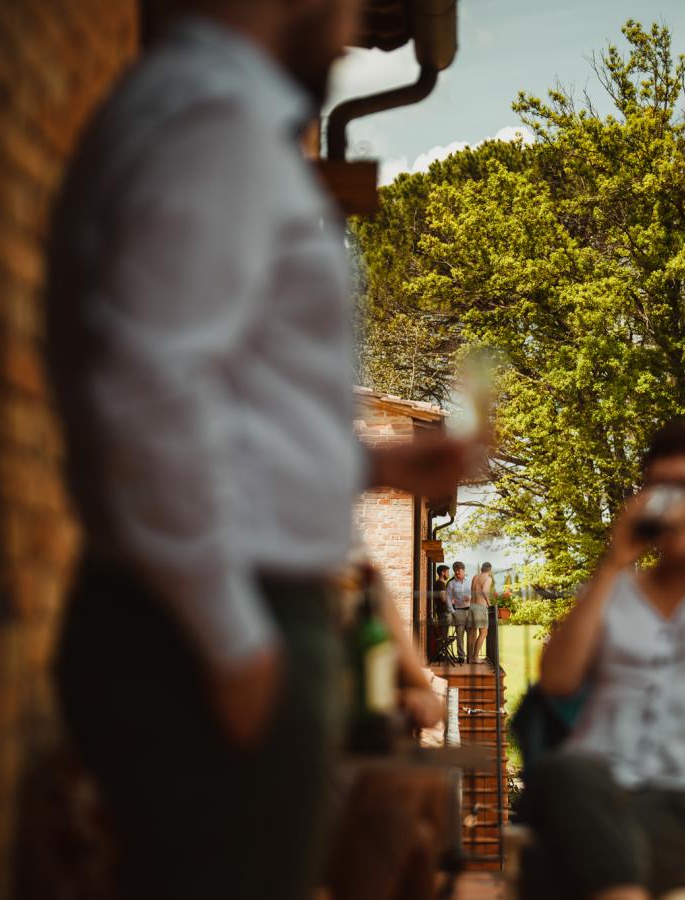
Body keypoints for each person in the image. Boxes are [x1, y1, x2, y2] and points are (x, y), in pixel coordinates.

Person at [44, 2, 473, 896]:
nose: (354, 19)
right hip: (209, 622)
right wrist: (233, 641)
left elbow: (214, 398)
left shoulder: (196, 109)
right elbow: (145, 388)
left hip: (200, 614)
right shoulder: (217, 123)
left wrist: (376, 467)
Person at [522, 422, 685, 900]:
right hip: (603, 791)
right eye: (657, 487)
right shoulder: (617, 588)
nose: (666, 502)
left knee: (553, 862)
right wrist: (613, 562)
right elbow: (557, 680)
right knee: (565, 774)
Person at [468, 561, 494, 663]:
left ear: (481, 569)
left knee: (471, 633)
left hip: (472, 606)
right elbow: (484, 591)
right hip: (480, 607)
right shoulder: (488, 578)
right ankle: (475, 657)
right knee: (483, 633)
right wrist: (489, 603)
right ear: (490, 570)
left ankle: (470, 658)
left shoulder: (475, 577)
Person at [445, 561, 471, 661]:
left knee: (471, 635)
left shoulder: (470, 582)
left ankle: (470, 657)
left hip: (470, 611)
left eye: (458, 570)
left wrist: (470, 598)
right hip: (458, 611)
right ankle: (461, 657)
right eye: (455, 570)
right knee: (460, 636)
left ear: (464, 570)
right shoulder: (451, 584)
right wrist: (452, 611)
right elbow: (447, 598)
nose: (456, 572)